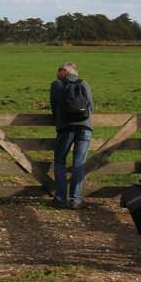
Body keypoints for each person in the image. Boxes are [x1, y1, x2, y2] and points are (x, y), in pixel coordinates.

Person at [49, 61, 93, 207]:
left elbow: (54, 107)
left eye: (59, 69)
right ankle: (76, 199)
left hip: (66, 128)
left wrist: (59, 122)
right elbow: (91, 107)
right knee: (79, 162)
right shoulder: (84, 83)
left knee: (60, 160)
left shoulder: (57, 84)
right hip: (85, 127)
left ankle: (60, 198)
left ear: (65, 72)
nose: (57, 72)